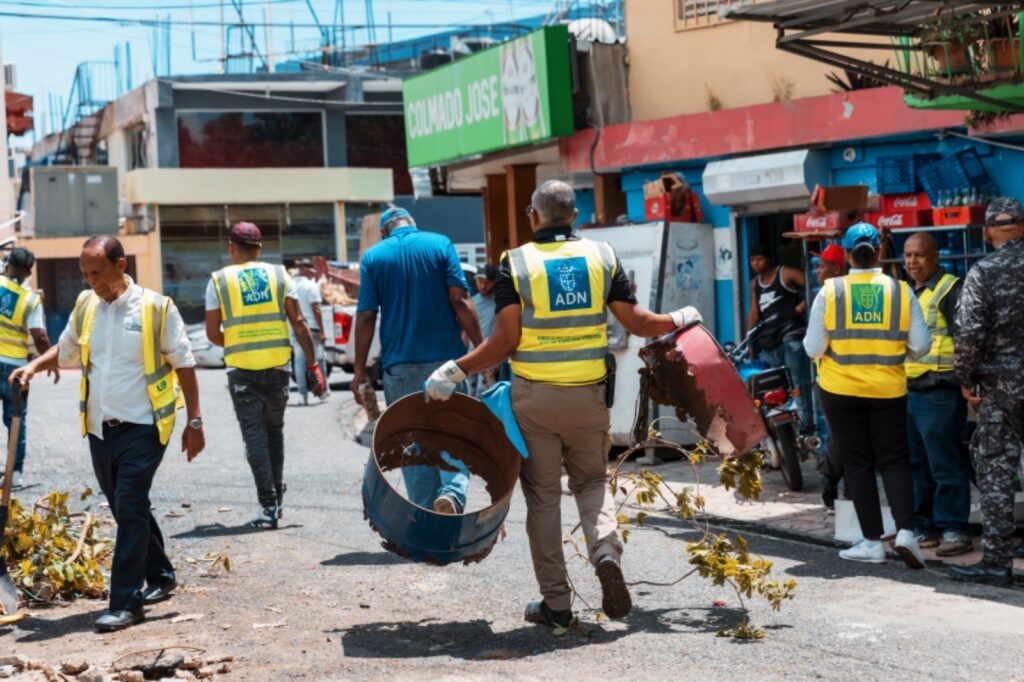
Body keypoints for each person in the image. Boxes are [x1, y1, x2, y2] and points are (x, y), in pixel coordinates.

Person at [423, 180, 702, 627]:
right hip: (590, 397)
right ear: (575, 217)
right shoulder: (602, 256)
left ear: (533, 215)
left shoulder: (515, 263)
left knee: (544, 498)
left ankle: (557, 604)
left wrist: (455, 370)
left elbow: (505, 340)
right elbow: (637, 321)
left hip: (534, 400)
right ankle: (606, 553)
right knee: (592, 484)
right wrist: (682, 316)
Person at [11, 235, 205, 632]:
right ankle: (162, 575)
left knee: (130, 505)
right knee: (125, 507)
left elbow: (184, 363)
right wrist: (32, 367)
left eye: (96, 273)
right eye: (84, 274)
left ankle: (125, 603)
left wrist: (195, 422)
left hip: (145, 426)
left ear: (121, 264)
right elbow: (66, 350)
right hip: (100, 428)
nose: (90, 281)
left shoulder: (155, 308)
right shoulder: (86, 306)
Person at [803, 223, 931, 569]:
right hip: (889, 389)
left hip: (839, 390)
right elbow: (921, 346)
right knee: (895, 460)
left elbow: (813, 347)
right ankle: (906, 532)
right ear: (878, 252)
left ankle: (872, 542)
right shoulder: (901, 291)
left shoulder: (830, 292)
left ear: (845, 256)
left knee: (858, 464)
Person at [352, 207, 482, 515]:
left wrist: (359, 371)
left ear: (385, 232)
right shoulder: (439, 244)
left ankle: (426, 518)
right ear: (413, 225)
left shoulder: (374, 257)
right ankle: (451, 493)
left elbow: (367, 315)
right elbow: (460, 300)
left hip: (398, 368)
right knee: (451, 432)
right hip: (445, 364)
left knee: (413, 442)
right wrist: (482, 349)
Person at [206, 222, 325, 529]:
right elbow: (299, 322)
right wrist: (312, 366)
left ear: (231, 247)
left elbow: (211, 333)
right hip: (278, 368)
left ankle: (269, 505)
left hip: (242, 371)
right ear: (260, 249)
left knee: (254, 438)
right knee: (274, 433)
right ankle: (277, 499)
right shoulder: (279, 274)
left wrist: (236, 343)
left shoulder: (218, 280)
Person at [950, 197, 1024, 587]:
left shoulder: (983, 272)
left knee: (995, 473)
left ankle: (997, 563)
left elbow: (969, 335)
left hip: (1001, 390)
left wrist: (965, 379)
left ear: (989, 231)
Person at [902, 232, 972, 556]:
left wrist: (968, 381)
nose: (912, 262)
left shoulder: (950, 289)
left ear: (935, 257)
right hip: (910, 390)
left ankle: (954, 529)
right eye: (907, 256)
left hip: (940, 390)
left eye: (919, 255)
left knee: (944, 463)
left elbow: (965, 338)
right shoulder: (907, 292)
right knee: (916, 463)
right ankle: (924, 527)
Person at [0, 247, 58, 489]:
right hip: (14, 370)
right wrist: (50, 360)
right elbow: (39, 335)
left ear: (7, 263)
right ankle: (14, 475)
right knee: (16, 421)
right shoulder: (30, 299)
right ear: (27, 271)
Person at [747, 243, 812, 433]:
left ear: (768, 259)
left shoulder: (785, 274)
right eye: (752, 260)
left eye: (759, 259)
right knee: (774, 392)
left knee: (797, 386)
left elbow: (813, 286)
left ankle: (805, 431)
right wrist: (749, 340)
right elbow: (754, 314)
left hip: (790, 338)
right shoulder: (754, 284)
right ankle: (787, 436)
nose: (756, 263)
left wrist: (799, 309)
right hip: (768, 343)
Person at [809, 243, 845, 512]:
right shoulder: (826, 294)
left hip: (838, 381)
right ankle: (832, 483)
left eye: (822, 266)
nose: (817, 271)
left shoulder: (827, 296)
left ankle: (831, 481)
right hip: (836, 380)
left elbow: (813, 347)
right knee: (842, 439)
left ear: (837, 268)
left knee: (842, 439)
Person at [291, 258, 328, 405]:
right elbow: (316, 309)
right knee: (319, 360)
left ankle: (302, 395)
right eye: (311, 270)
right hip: (311, 329)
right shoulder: (311, 286)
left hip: (294, 329)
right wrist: (322, 330)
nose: (313, 273)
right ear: (306, 269)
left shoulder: (290, 285)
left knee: (299, 363)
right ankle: (324, 391)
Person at [468, 264, 501, 397]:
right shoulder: (472, 302)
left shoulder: (501, 301)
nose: (483, 285)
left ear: (494, 282)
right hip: (472, 352)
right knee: (470, 390)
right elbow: (467, 329)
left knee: (485, 391)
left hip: (491, 353)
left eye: (487, 282)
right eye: (480, 281)